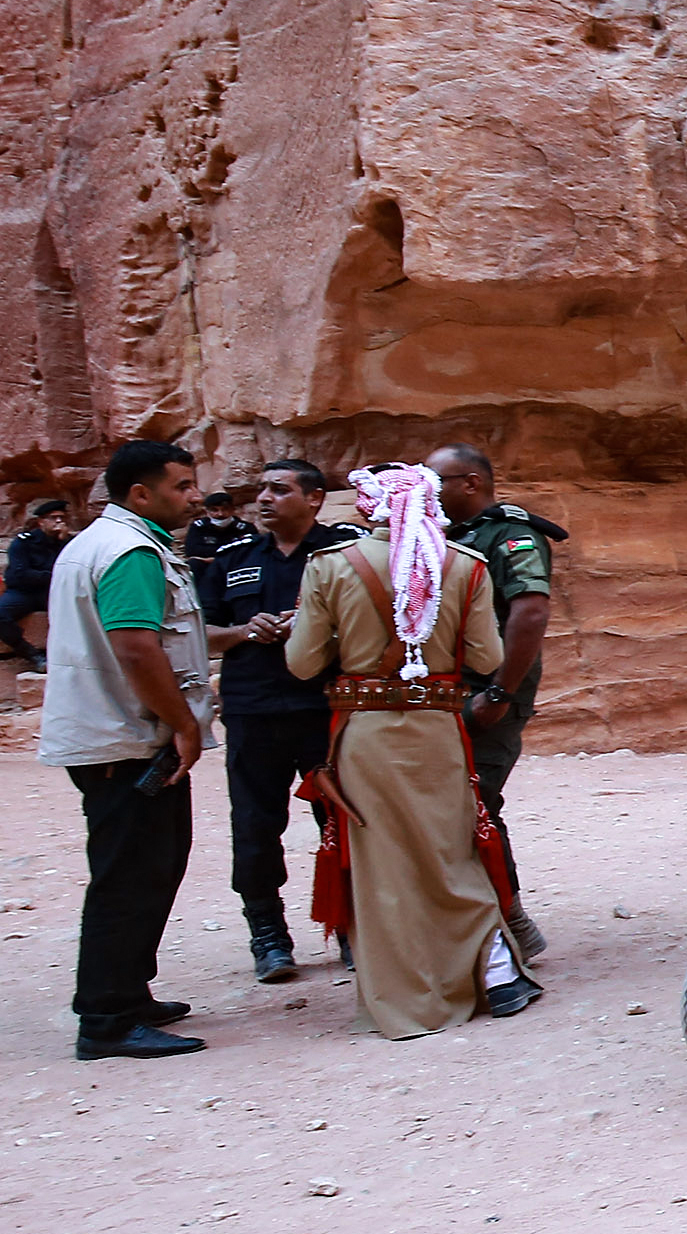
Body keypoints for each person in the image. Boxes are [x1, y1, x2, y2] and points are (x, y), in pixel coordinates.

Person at [289, 465, 536, 1035]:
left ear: (368, 509)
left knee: (386, 867)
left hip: (365, 736)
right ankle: (496, 972)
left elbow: (301, 663)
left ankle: (408, 996)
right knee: (453, 850)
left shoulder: (330, 567)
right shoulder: (467, 567)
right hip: (439, 729)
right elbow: (482, 658)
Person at [45, 444, 226, 1060]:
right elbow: (135, 648)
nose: (195, 496)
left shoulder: (102, 542)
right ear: (140, 495)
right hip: (127, 741)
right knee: (129, 879)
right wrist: (184, 725)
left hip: (112, 736)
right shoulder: (132, 552)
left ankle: (128, 992)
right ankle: (106, 1020)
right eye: (181, 486)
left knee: (151, 868)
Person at [195, 460, 359, 983]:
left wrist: (315, 629)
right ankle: (267, 934)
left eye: (278, 489)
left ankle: (352, 927)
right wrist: (245, 630)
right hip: (253, 709)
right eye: (261, 489)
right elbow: (201, 630)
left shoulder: (344, 551)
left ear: (313, 499)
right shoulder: (232, 556)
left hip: (325, 709)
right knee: (255, 825)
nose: (263, 498)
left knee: (344, 821)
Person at [429, 444, 563, 955]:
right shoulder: (442, 537)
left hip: (487, 690)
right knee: (449, 801)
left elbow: (529, 613)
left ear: (470, 483)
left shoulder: (512, 535)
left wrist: (500, 692)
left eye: (437, 479)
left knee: (475, 798)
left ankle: (510, 922)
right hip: (446, 688)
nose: (428, 489)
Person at [4, 496, 73, 668]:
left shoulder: (69, 543)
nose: (58, 521)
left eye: (62, 518)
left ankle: (67, 658)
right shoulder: (24, 542)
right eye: (53, 518)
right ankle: (32, 655)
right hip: (23, 592)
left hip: (52, 592)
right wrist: (53, 575)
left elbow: (72, 569)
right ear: (41, 522)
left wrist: (64, 543)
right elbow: (20, 574)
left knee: (74, 614)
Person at [182, 488, 249, 580]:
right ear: (207, 511)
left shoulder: (245, 528)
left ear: (233, 510)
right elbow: (192, 550)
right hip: (207, 566)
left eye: (225, 509)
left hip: (235, 566)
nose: (220, 514)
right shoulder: (198, 527)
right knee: (194, 564)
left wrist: (214, 557)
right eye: (214, 510)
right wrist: (229, 551)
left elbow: (249, 551)